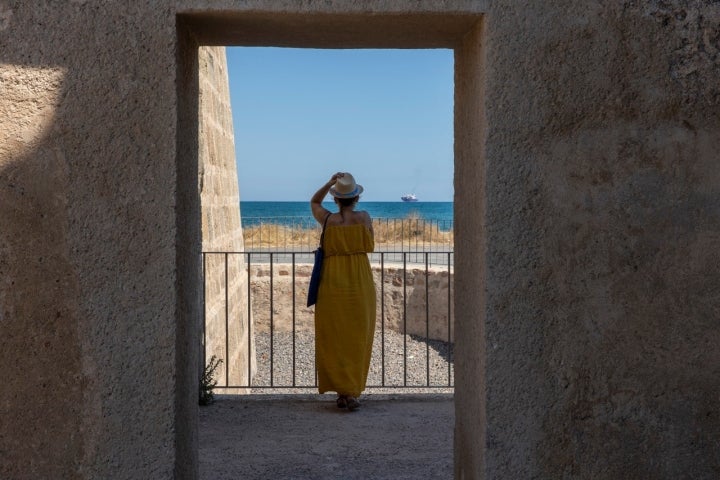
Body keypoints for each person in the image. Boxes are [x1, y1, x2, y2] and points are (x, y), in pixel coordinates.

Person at [310, 172, 376, 411]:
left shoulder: (328, 220)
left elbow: (314, 202)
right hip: (359, 280)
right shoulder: (364, 217)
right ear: (356, 198)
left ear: (336, 199)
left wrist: (328, 183)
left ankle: (341, 392)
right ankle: (353, 392)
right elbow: (370, 244)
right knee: (358, 336)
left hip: (332, 281)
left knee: (335, 336)